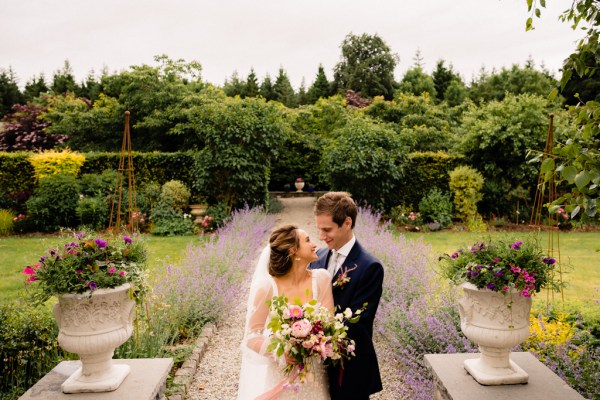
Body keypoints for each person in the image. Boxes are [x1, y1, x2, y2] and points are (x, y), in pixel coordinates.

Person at [238, 225, 334, 400]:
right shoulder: (268, 287)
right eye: (307, 240)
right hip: (280, 374)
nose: (314, 245)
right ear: (293, 251)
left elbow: (330, 324)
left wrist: (312, 343)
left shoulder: (322, 279)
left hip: (315, 375)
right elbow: (251, 336)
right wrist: (281, 350)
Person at [311, 191, 384, 400]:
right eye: (319, 230)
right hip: (316, 365)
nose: (322, 236)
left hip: (350, 367)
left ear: (347, 223)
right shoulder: (318, 258)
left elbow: (358, 323)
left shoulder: (370, 267)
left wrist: (312, 337)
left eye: (327, 229)